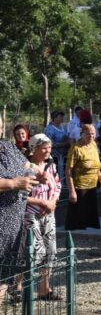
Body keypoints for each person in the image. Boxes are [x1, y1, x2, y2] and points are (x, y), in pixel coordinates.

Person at [19, 134, 61, 300]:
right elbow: (20, 196)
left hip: (49, 213)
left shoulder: (51, 165)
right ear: (34, 149)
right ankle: (18, 287)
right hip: (31, 214)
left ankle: (45, 288)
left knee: (50, 251)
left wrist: (52, 202)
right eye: (44, 148)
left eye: (49, 147)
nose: (47, 151)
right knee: (33, 251)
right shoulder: (25, 167)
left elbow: (57, 186)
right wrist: (42, 203)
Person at [0, 113, 35, 290]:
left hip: (13, 224)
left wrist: (38, 173)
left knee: (5, 275)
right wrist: (14, 183)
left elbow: (27, 165)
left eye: (0, 126)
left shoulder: (7, 146)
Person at [64, 123, 101, 230]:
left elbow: (96, 162)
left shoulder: (93, 145)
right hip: (80, 186)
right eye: (88, 134)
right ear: (82, 134)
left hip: (92, 185)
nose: (91, 136)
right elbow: (68, 170)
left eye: (93, 133)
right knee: (78, 219)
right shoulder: (75, 148)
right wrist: (72, 191)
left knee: (90, 216)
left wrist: (100, 175)